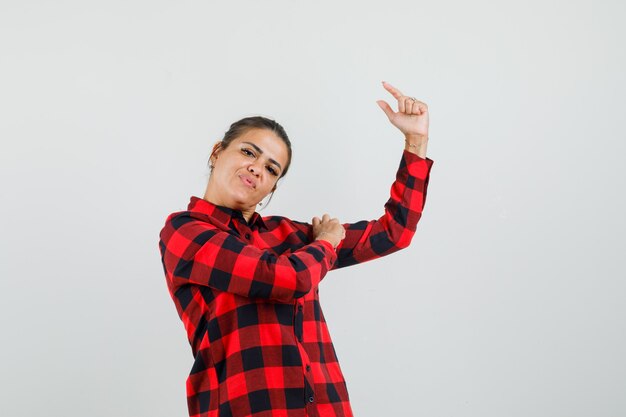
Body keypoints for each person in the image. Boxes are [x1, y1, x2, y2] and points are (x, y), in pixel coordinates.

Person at [158, 81, 434, 417]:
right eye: (248, 152)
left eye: (272, 169)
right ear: (218, 152)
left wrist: (415, 141)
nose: (257, 168)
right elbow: (284, 279)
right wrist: (325, 243)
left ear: (272, 186)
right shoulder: (185, 231)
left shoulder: (286, 236)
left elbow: (394, 233)